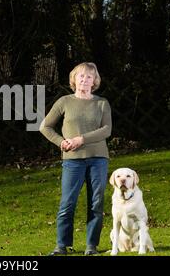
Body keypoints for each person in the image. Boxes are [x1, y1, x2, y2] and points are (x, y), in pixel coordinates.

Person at [39, 62, 112, 256]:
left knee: (96, 203)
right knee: (67, 203)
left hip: (98, 159)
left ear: (94, 81)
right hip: (73, 160)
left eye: (89, 76)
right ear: (74, 79)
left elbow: (106, 130)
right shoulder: (65, 101)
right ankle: (62, 246)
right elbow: (44, 126)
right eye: (81, 76)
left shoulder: (102, 103)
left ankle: (91, 246)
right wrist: (60, 142)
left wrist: (82, 139)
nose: (85, 80)